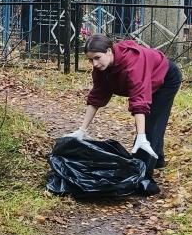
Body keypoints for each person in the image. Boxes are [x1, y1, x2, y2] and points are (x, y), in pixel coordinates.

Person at [68, 34, 181, 168]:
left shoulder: (132, 63)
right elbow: (97, 96)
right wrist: (82, 130)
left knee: (151, 124)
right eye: (90, 60)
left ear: (109, 51)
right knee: (151, 123)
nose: (95, 64)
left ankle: (141, 173)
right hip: (149, 76)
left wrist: (141, 136)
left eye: (97, 57)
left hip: (165, 78)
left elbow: (139, 99)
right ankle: (158, 160)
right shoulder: (101, 68)